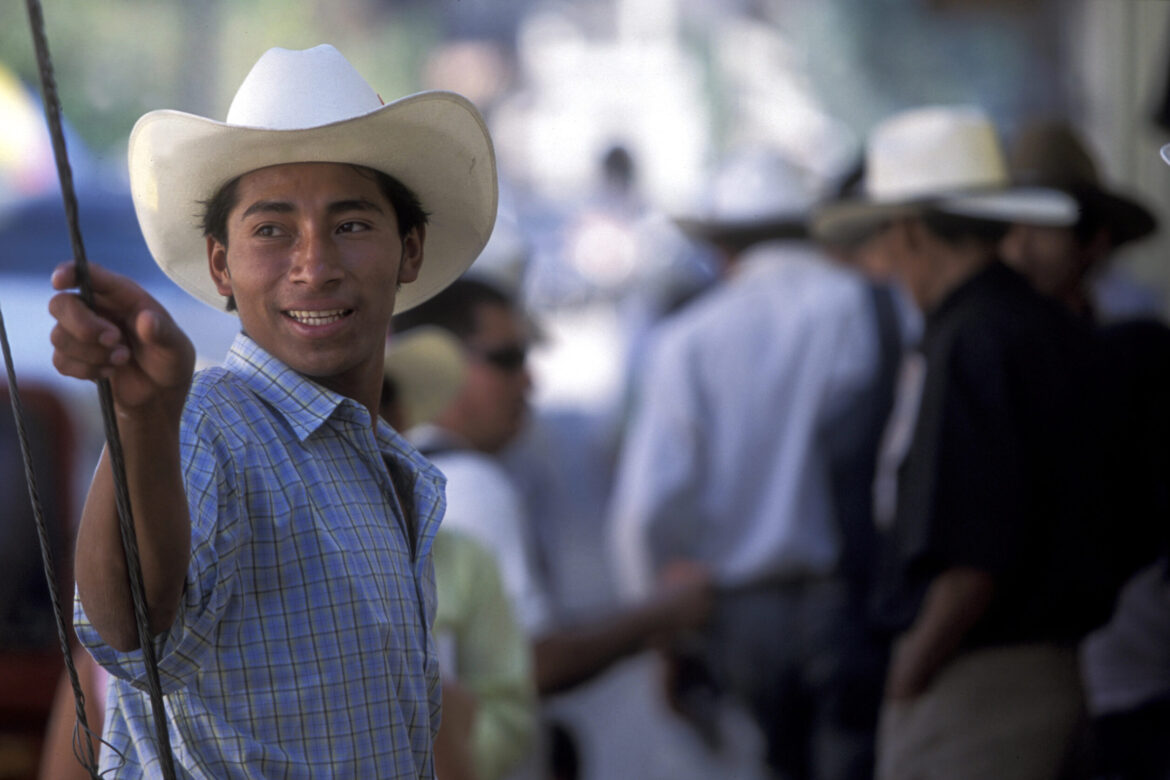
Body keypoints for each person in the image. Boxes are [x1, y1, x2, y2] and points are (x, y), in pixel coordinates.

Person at [46, 44, 496, 777]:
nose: (314, 265)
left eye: (351, 225)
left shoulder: (383, 463)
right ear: (220, 263)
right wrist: (141, 426)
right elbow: (127, 630)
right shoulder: (204, 421)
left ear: (408, 250)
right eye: (271, 229)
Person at [812, 104, 1114, 780]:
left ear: (914, 235)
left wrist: (913, 669)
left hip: (982, 675)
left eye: (885, 239)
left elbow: (976, 553)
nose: (883, 263)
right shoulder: (1034, 325)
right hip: (1043, 663)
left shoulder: (973, 339)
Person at [607, 148, 887, 780]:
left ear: (723, 248)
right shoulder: (869, 311)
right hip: (850, 601)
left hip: (741, 616)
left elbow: (647, 510)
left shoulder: (687, 341)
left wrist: (663, 633)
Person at [393, 277, 713, 777]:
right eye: (507, 359)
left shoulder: (398, 475)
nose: (530, 381)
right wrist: (668, 611)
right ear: (438, 363)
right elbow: (534, 663)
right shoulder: (471, 485)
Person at [381, 327, 538, 780]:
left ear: (400, 417)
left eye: (379, 400)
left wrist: (452, 741)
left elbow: (511, 714)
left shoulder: (460, 556)